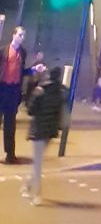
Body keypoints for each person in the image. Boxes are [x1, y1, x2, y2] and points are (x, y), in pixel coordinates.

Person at [24, 65, 63, 206]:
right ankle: (28, 186)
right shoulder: (60, 92)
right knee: (38, 162)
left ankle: (37, 194)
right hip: (49, 131)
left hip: (38, 130)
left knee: (38, 164)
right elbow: (60, 113)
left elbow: (30, 110)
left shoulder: (40, 91)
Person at [0, 26, 30, 165]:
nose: (22, 38)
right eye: (20, 35)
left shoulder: (23, 53)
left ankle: (10, 155)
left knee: (10, 125)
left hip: (13, 91)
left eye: (23, 36)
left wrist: (33, 70)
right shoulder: (3, 50)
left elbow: (22, 71)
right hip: (2, 89)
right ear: (13, 35)